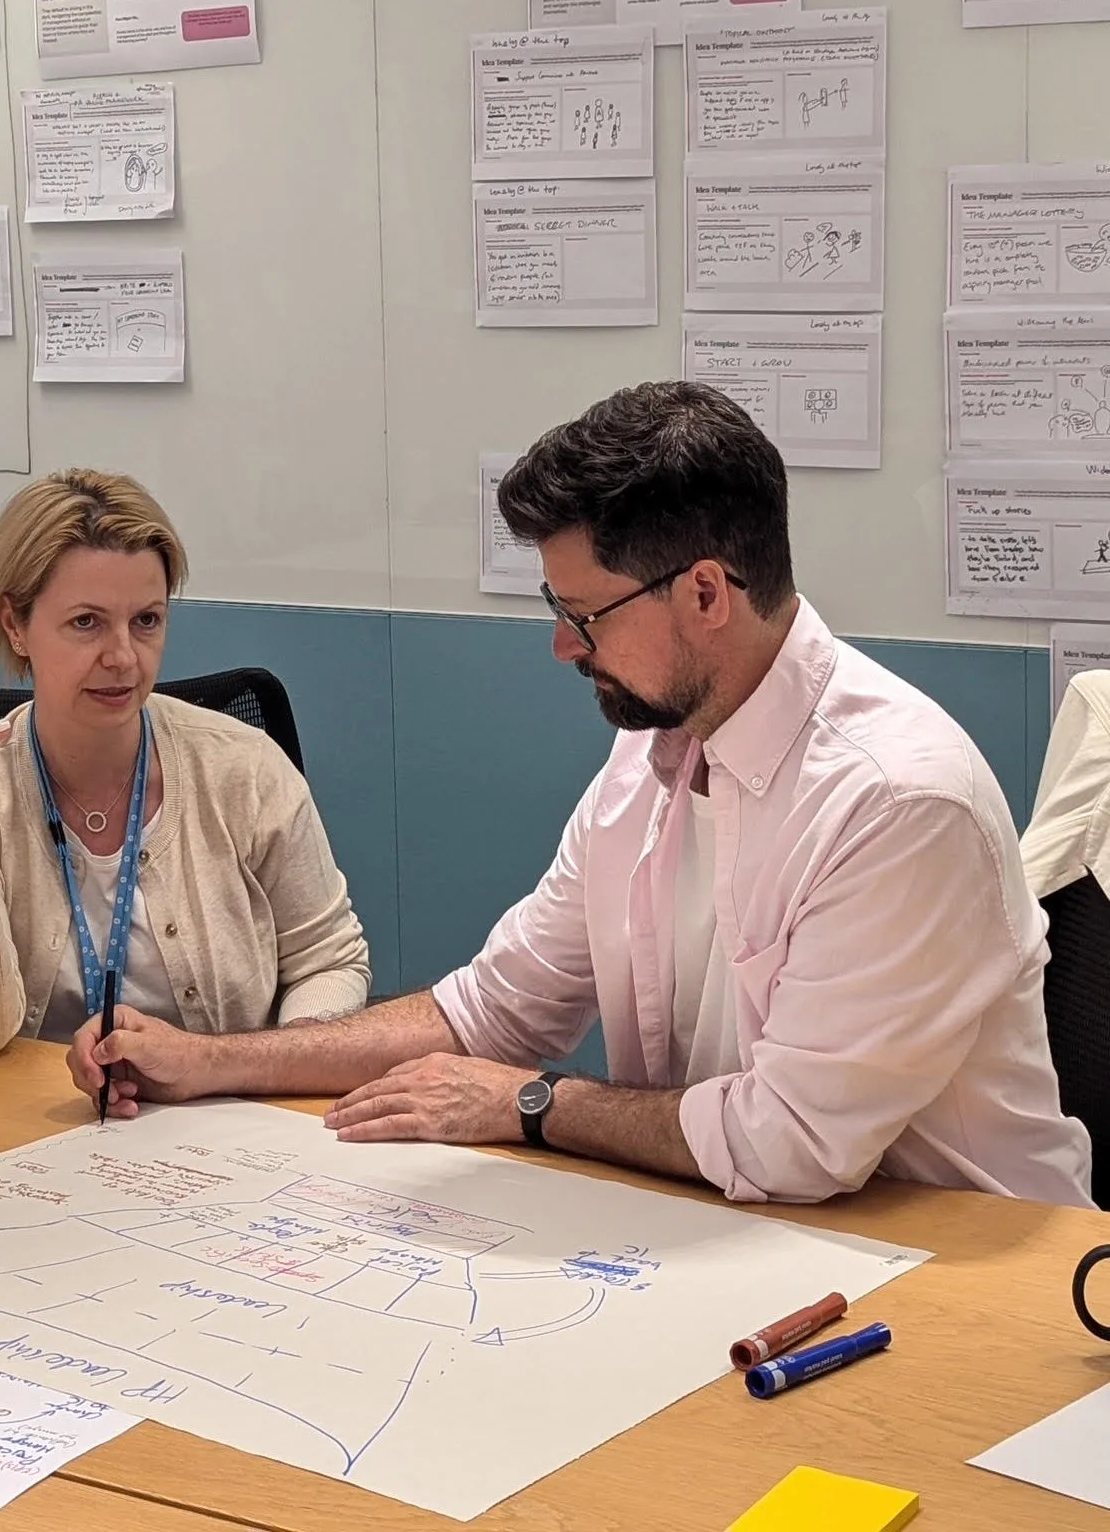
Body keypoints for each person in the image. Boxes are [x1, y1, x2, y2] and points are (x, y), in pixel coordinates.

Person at [73, 382, 1094, 1209]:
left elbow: (790, 1142)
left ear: (705, 593)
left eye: (583, 612)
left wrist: (532, 1103)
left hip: (947, 1272)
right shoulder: (651, 754)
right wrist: (207, 1061)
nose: (563, 644)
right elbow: (493, 1008)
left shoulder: (898, 800)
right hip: (744, 1233)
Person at [0, 468, 370, 1063]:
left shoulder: (244, 769)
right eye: (86, 622)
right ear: (16, 624)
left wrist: (262, 1071)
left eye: (146, 620)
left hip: (228, 1123)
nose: (123, 657)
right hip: (23, 1136)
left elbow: (330, 961)